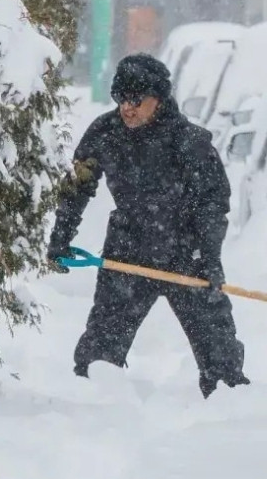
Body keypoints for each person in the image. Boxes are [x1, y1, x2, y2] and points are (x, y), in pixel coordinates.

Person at [48, 53, 251, 398]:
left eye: (136, 100)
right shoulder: (105, 132)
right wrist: (60, 238)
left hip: (187, 253)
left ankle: (230, 415)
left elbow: (213, 204)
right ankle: (91, 416)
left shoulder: (189, 142)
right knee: (99, 351)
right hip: (128, 251)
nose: (127, 108)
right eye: (121, 99)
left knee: (220, 354)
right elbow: (77, 188)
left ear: (158, 99)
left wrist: (211, 258)